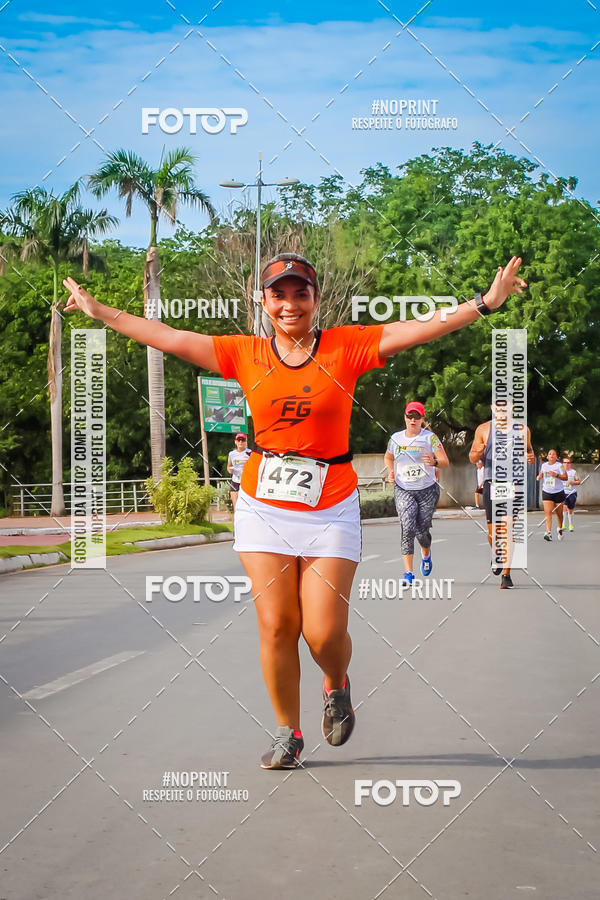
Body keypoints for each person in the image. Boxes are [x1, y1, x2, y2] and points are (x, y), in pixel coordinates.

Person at [63, 253, 526, 769]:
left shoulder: (347, 347)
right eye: (278, 295)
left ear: (315, 300)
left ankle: (337, 684)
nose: (289, 304)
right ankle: (288, 732)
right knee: (278, 624)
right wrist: (99, 310)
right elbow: (167, 335)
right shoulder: (245, 353)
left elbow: (418, 328)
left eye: (299, 293)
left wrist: (485, 303)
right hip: (263, 507)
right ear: (263, 302)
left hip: (330, 508)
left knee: (323, 633)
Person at [469, 404, 535, 589]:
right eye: (498, 406)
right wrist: (479, 453)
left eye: (505, 406)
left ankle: (506, 574)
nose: (502, 410)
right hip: (492, 483)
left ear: (512, 407)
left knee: (508, 530)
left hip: (513, 483)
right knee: (493, 533)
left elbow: (530, 452)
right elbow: (472, 456)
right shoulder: (483, 429)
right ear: (491, 407)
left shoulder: (523, 429)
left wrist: (530, 457)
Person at [384, 402, 449, 585]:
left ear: (422, 419)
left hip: (427, 490)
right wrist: (390, 471)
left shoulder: (430, 438)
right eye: (409, 416)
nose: (413, 420)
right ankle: (408, 573)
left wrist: (434, 461)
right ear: (404, 417)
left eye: (417, 417)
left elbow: (445, 461)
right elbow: (388, 457)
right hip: (404, 489)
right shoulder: (396, 438)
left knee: (421, 531)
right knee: (407, 527)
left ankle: (426, 554)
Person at [537, 449, 568, 541]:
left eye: (553, 454)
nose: (551, 455)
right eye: (550, 454)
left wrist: (556, 475)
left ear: (556, 457)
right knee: (548, 512)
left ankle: (559, 528)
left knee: (559, 514)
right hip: (547, 491)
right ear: (547, 457)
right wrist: (539, 476)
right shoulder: (544, 465)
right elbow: (541, 473)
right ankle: (548, 532)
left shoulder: (560, 466)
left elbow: (565, 477)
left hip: (558, 492)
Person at [227, 433, 251, 508]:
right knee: (236, 505)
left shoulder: (250, 453)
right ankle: (236, 519)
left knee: (247, 505)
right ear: (235, 442)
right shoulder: (231, 454)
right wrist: (229, 470)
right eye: (239, 440)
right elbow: (229, 466)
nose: (240, 442)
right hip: (235, 481)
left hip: (247, 481)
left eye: (243, 440)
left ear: (246, 442)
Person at [562, 456, 581, 531]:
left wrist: (572, 482)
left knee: (570, 510)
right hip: (563, 493)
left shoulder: (574, 472)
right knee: (564, 508)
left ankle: (570, 525)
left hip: (572, 493)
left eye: (568, 463)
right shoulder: (560, 472)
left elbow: (579, 481)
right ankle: (563, 525)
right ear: (562, 464)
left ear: (570, 464)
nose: (566, 464)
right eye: (565, 462)